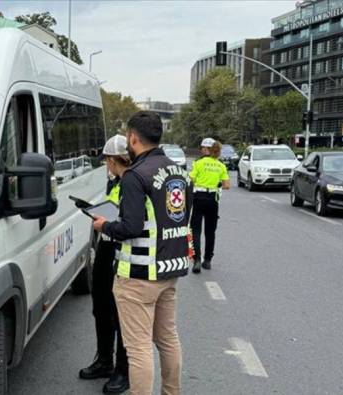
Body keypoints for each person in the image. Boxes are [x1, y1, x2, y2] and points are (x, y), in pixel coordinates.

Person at [92, 111, 192, 395]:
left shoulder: (135, 176)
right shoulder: (179, 171)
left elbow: (130, 227)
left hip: (139, 274)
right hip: (170, 269)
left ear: (133, 138)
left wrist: (104, 225)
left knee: (137, 349)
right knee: (168, 339)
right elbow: (182, 218)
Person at [79, 134, 130, 394]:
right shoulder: (116, 182)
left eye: (107, 161)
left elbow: (131, 221)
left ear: (112, 160)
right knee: (101, 305)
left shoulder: (134, 182)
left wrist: (107, 222)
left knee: (121, 313)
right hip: (106, 246)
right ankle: (104, 361)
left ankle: (124, 370)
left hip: (124, 251)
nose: (107, 166)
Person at [189, 137, 230, 274]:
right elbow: (227, 185)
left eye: (202, 148)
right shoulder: (221, 165)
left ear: (206, 149)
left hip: (199, 198)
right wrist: (216, 183)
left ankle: (196, 260)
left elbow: (191, 180)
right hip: (213, 199)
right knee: (210, 231)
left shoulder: (198, 163)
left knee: (195, 229)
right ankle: (208, 260)